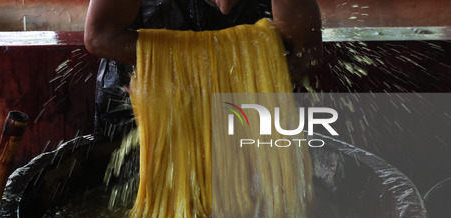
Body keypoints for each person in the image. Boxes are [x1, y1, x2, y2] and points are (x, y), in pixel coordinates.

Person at [84, 0, 322, 139]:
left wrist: (252, 92)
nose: (225, 6)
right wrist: (189, 83)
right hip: (143, 94)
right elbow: (100, 36)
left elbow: (304, 50)